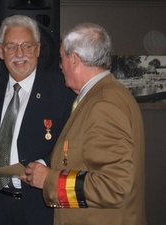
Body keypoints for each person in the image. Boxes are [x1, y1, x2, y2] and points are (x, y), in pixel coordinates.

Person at [23, 22, 146, 225]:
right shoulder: (108, 95)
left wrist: (49, 180)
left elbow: (113, 186)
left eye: (61, 58)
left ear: (74, 59)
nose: (60, 66)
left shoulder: (104, 104)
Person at [0, 15, 76, 225]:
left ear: (38, 49)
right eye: (11, 46)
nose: (19, 54)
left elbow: (72, 142)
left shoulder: (61, 89)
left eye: (27, 46)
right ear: (1, 51)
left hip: (40, 205)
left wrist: (42, 165)